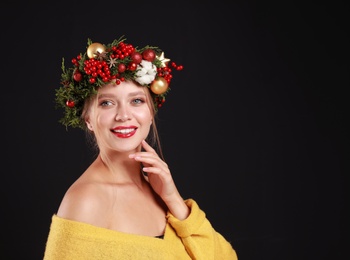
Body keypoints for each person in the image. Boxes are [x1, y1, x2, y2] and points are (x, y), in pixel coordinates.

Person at [43, 36, 238, 259]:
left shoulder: (159, 190)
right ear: (87, 118)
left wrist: (174, 200)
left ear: (151, 110)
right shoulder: (85, 200)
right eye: (106, 103)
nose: (124, 116)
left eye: (136, 101)